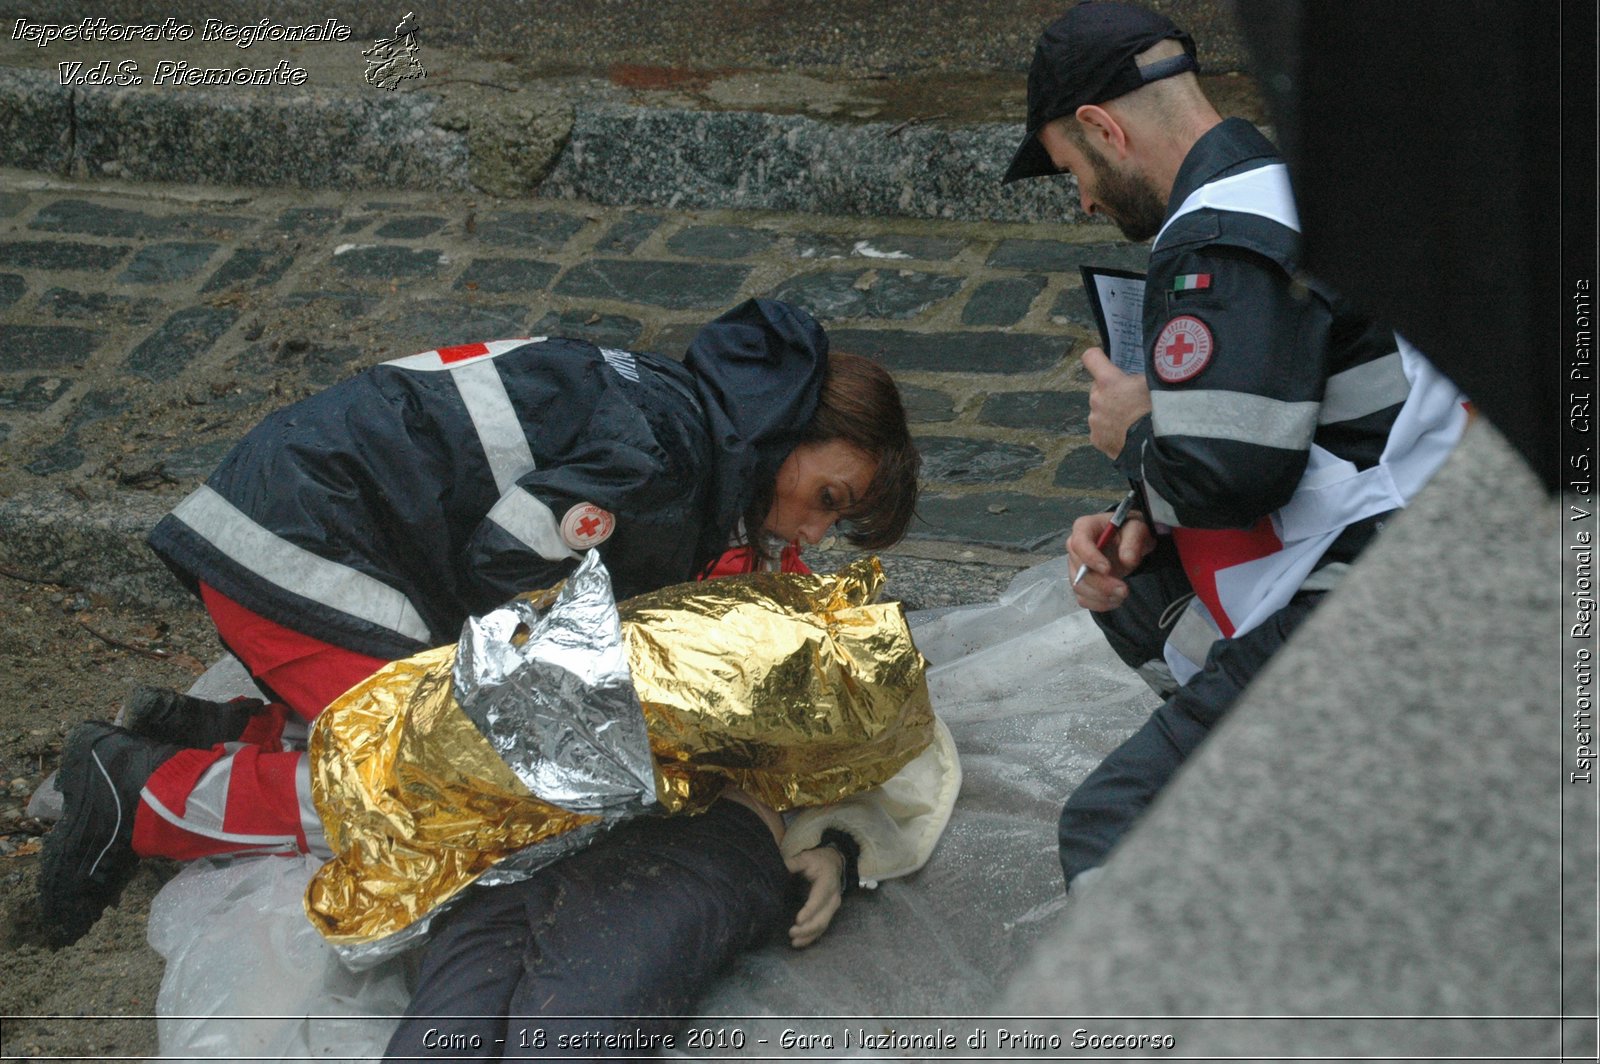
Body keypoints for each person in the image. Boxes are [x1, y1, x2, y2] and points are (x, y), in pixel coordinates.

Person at [38, 298, 921, 949]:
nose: (811, 532)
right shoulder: (665, 466)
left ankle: (235, 736)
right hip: (305, 549)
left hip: (296, 524)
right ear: (786, 430)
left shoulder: (687, 424)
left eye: (835, 523)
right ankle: (141, 796)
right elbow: (508, 568)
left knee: (477, 741)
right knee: (438, 790)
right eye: (825, 500)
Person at [1001, 2, 1469, 889]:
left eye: (1074, 169)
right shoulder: (1296, 184)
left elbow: (1232, 472)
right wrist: (1138, 511)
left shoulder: (1217, 240)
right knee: (1131, 585)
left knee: (1113, 829)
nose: (1086, 199)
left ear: (1104, 128)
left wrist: (1133, 433)